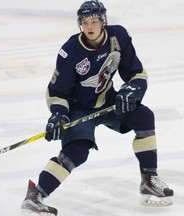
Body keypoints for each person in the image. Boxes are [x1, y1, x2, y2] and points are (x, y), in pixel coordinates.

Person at [21, 0, 174, 215]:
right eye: (84, 22)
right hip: (79, 109)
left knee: (144, 116)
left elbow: (137, 73)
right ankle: (35, 196)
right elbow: (57, 92)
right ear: (80, 24)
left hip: (108, 99)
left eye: (94, 21)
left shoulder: (118, 37)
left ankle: (149, 179)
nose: (89, 26)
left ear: (104, 21)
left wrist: (132, 90)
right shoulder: (70, 51)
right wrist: (58, 115)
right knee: (77, 152)